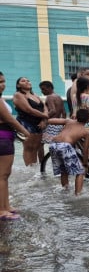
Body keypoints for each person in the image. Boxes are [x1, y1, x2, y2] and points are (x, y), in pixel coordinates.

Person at [0, 71, 31, 220]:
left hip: (6, 138)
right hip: (3, 138)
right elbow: (10, 120)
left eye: (3, 81)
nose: (3, 85)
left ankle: (6, 206)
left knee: (5, 176)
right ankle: (1, 210)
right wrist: (26, 132)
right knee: (2, 176)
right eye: (0, 82)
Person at [46, 109, 89, 195]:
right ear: (88, 119)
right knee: (80, 171)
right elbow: (85, 150)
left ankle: (65, 191)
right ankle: (78, 195)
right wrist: (85, 164)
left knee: (63, 170)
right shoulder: (87, 131)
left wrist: (44, 120)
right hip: (65, 146)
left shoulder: (69, 121)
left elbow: (50, 120)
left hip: (53, 144)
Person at [13, 77, 48, 166]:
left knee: (36, 147)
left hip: (38, 123)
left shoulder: (35, 95)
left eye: (28, 80)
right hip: (25, 123)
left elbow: (45, 108)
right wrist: (45, 116)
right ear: (18, 85)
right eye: (23, 81)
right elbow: (29, 110)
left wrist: (44, 120)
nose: (27, 82)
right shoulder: (18, 95)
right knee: (28, 148)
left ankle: (35, 170)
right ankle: (29, 169)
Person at [39, 80, 66, 163]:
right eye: (41, 89)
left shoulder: (50, 97)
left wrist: (44, 119)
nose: (42, 91)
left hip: (51, 124)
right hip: (59, 125)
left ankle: (41, 165)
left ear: (50, 88)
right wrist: (62, 124)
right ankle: (60, 164)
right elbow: (64, 113)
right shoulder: (59, 97)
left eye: (44, 89)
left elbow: (53, 110)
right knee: (57, 146)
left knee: (39, 145)